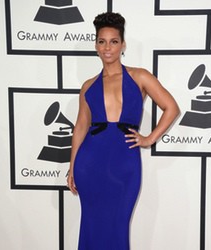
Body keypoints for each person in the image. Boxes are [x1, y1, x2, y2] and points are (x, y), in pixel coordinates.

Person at [66, 12, 180, 250]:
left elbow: (171, 107)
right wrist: (72, 167)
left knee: (118, 225)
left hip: (124, 164)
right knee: (91, 224)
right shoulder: (88, 86)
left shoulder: (139, 76)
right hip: (90, 164)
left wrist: (149, 138)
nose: (108, 47)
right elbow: (80, 128)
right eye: (102, 41)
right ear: (96, 45)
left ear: (123, 44)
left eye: (113, 41)